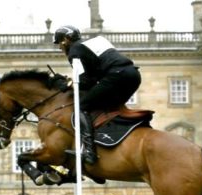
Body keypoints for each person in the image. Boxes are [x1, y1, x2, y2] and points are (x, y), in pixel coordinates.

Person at [53, 25, 141, 165]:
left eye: (59, 43)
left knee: (81, 107)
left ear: (66, 39)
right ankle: (112, 138)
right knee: (108, 107)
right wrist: (71, 81)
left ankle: (89, 152)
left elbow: (85, 82)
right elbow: (92, 79)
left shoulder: (74, 50)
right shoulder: (92, 43)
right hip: (133, 75)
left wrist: (65, 85)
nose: (59, 48)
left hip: (116, 77)